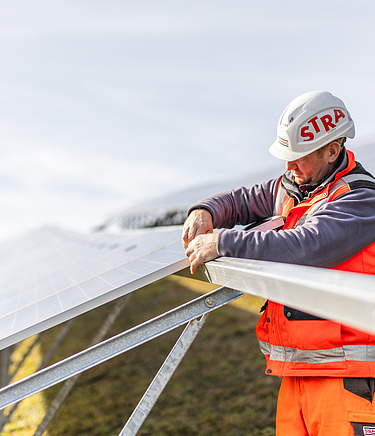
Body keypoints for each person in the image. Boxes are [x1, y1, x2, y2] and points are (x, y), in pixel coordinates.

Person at [182, 90, 375, 435]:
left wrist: (224, 241)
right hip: (299, 372)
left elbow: (307, 247)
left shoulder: (361, 200)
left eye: (299, 156)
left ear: (332, 151)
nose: (289, 166)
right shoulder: (295, 185)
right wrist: (205, 209)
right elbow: (240, 200)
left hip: (350, 378)